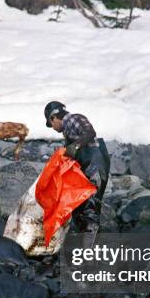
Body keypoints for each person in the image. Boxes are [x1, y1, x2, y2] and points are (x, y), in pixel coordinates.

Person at [44, 101, 110, 236]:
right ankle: (89, 241)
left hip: (95, 165)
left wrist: (76, 146)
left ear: (54, 117)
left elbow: (90, 132)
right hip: (87, 167)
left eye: (51, 124)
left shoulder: (74, 118)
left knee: (89, 205)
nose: (53, 128)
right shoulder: (67, 132)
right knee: (80, 205)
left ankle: (89, 246)